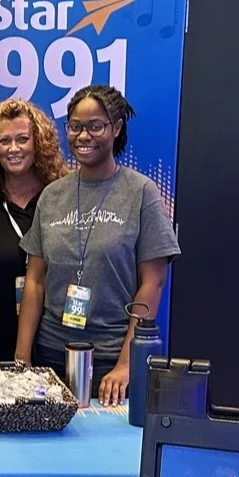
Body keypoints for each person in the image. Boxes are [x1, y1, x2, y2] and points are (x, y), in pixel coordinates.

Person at [15, 85, 180, 406]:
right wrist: (22, 359)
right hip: (50, 356)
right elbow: (34, 281)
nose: (83, 136)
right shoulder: (52, 195)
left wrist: (125, 365)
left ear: (116, 128)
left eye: (95, 126)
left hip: (110, 362)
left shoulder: (141, 193)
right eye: (75, 126)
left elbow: (153, 283)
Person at [0, 98, 68, 363]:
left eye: (23, 139)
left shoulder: (62, 198)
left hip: (53, 340)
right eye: (4, 141)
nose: (14, 148)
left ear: (39, 143)